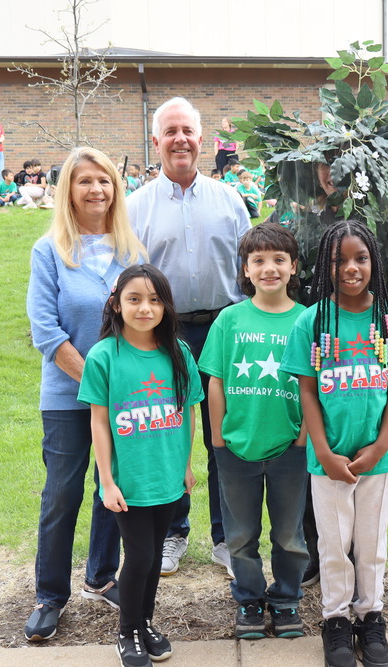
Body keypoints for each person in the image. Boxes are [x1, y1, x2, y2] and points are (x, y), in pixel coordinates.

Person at [280, 219, 388, 667]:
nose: (350, 267)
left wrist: (382, 445)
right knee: (333, 541)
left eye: (360, 258)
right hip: (329, 458)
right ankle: (336, 620)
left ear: (374, 263)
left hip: (377, 458)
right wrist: (322, 450)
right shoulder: (313, 320)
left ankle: (370, 615)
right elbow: (306, 389)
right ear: (325, 266)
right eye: (339, 260)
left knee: (370, 541)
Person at [24, 146, 147, 643]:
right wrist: (98, 382)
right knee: (62, 494)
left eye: (105, 180)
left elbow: (145, 317)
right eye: (84, 181)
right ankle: (50, 596)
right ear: (68, 191)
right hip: (66, 396)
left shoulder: (131, 251)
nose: (96, 189)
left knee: (110, 489)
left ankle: (101, 574)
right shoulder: (48, 249)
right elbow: (47, 332)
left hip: (125, 395)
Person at [127, 96, 251, 577]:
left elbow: (249, 267)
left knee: (223, 436)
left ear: (202, 140)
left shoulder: (230, 200)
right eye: (170, 131)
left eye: (188, 131)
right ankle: (173, 533)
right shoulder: (136, 206)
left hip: (224, 328)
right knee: (169, 432)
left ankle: (226, 535)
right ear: (156, 142)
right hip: (165, 332)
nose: (180, 139)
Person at [78, 264, 202, 667]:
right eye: (134, 299)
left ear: (166, 306)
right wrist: (107, 481)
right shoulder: (104, 356)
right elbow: (99, 420)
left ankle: (144, 623)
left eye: (154, 299)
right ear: (116, 304)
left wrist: (185, 465)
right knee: (139, 557)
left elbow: (188, 411)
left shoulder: (179, 353)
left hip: (166, 475)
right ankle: (127, 631)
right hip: (128, 481)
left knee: (150, 560)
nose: (144, 308)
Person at [199, 222, 308, 640]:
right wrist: (218, 441)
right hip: (236, 448)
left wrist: (302, 440)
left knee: (290, 535)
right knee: (240, 536)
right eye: (258, 260)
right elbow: (216, 381)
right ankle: (248, 597)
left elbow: (312, 386)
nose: (269, 269)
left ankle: (285, 599)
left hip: (289, 447)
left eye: (279, 260)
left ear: (293, 266)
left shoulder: (306, 320)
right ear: (245, 268)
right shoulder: (229, 320)